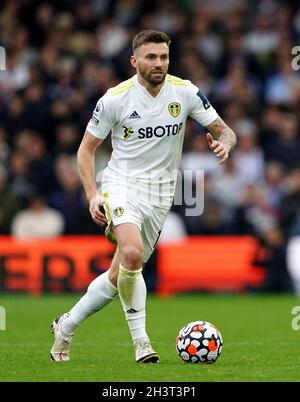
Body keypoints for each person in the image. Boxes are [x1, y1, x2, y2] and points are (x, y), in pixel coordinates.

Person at [50, 30, 237, 363]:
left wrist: (226, 142)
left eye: (164, 57)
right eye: (151, 57)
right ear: (135, 61)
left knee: (117, 275)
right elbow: (85, 151)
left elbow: (225, 129)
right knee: (133, 253)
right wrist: (93, 195)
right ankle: (142, 343)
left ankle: (66, 325)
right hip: (121, 184)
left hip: (160, 194)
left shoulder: (186, 91)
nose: (159, 64)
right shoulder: (115, 99)